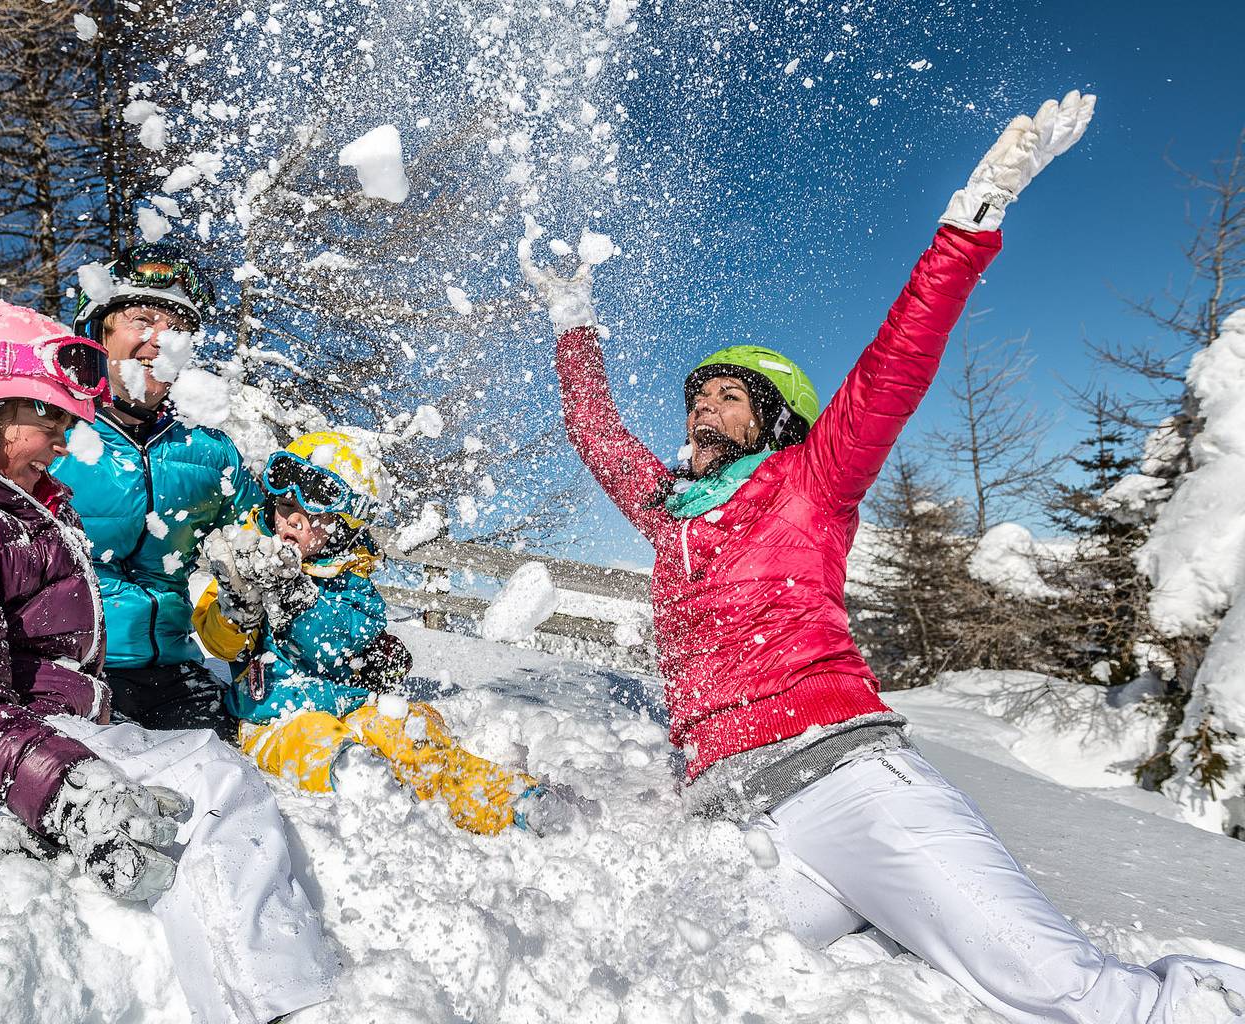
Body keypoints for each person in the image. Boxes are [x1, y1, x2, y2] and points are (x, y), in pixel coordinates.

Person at [524, 92, 1245, 1022]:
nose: (703, 408)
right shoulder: (672, 515)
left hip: (847, 782)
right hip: (737, 814)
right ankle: (888, 918)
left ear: (777, 418)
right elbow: (596, 433)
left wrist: (974, 215)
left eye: (730, 396)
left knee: (1065, 990)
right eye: (697, 396)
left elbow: (899, 358)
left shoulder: (811, 480)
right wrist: (572, 321)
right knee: (667, 974)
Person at [0, 300, 334, 1024]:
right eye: (49, 419)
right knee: (211, 778)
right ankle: (272, 1002)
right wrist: (68, 790)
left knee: (189, 761)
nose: (63, 442)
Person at [192, 431, 576, 836]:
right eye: (285, 507)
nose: (291, 521)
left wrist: (296, 597)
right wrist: (235, 611)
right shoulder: (247, 565)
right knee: (314, 741)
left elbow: (334, 644)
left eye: (310, 516)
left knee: (412, 741)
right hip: (272, 718)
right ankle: (362, 778)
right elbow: (218, 641)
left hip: (352, 706)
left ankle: (508, 799)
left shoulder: (354, 588)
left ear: (342, 528)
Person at [51, 242, 265, 735]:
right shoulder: (51, 435)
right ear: (95, 334)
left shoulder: (210, 452)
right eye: (142, 320)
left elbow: (259, 552)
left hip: (174, 672)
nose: (159, 341)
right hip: (70, 674)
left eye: (178, 330)